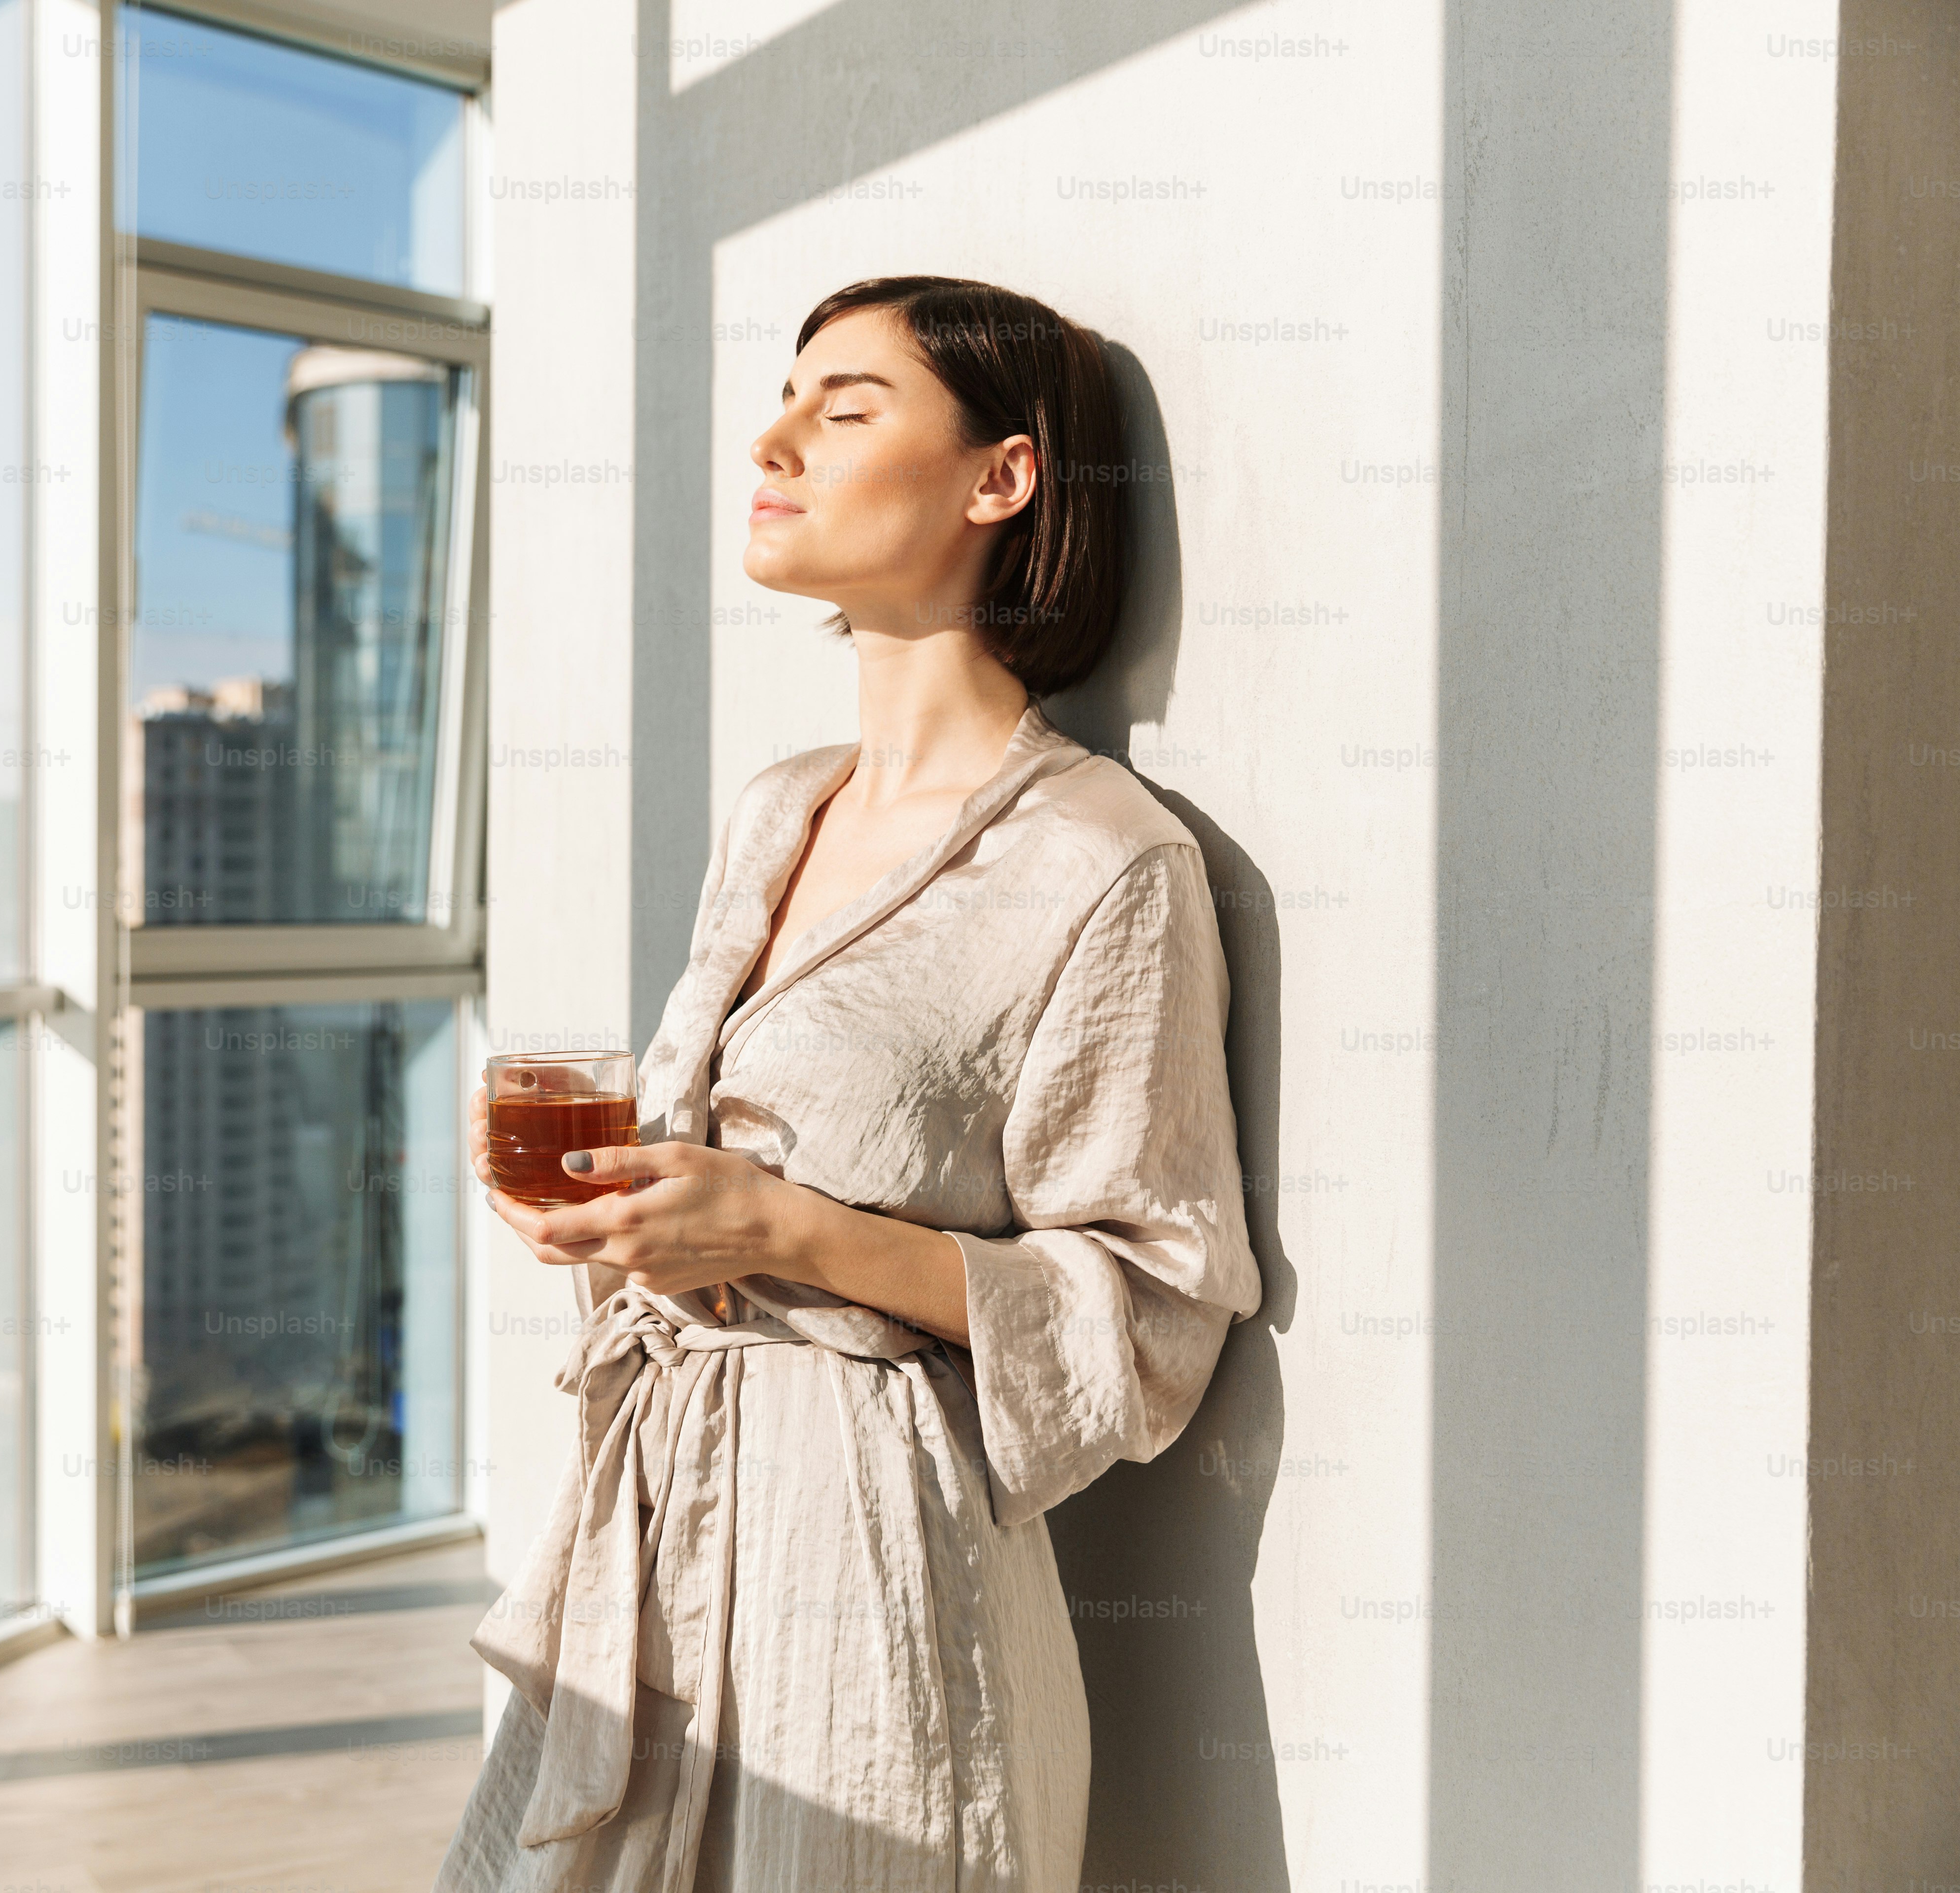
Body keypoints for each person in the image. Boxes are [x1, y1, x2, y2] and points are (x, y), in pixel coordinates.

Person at [432, 276, 1260, 1892]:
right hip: (655, 1522)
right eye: (788, 392)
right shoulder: (777, 807)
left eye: (847, 405)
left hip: (872, 1567)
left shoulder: (1105, 862)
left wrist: (793, 1235)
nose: (775, 436)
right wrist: (637, 1225)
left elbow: (1159, 1305)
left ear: (999, 480)